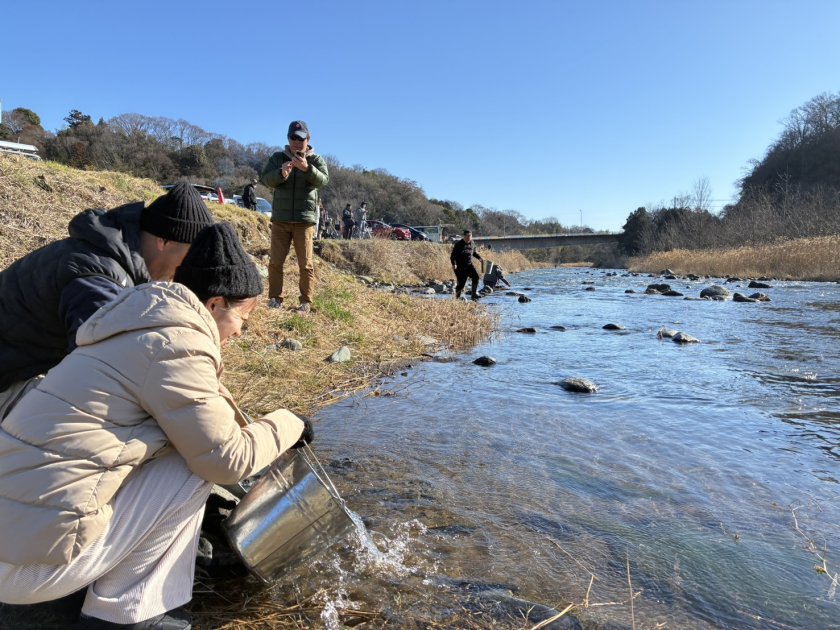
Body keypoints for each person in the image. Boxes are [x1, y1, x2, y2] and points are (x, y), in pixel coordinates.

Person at [0, 223, 311, 629]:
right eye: (243, 319)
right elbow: (226, 458)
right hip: (27, 568)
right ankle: (126, 612)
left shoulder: (135, 324)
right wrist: (290, 423)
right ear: (216, 303)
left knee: (183, 446)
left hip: (14, 538)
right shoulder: (177, 343)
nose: (240, 333)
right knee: (192, 467)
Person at [0, 181, 215, 419]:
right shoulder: (97, 279)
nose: (187, 271)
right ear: (163, 242)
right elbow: (102, 368)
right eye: (189, 257)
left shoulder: (108, 258)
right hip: (8, 382)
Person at [260, 120, 329, 314]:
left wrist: (308, 169)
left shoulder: (316, 160)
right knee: (275, 262)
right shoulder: (277, 158)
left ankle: (305, 302)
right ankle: (275, 299)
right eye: (293, 138)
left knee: (305, 264)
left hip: (304, 221)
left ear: (308, 139)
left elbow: (324, 180)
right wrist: (281, 173)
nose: (297, 142)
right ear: (288, 138)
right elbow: (266, 179)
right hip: (280, 220)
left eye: (301, 139)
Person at [450, 229, 483, 300]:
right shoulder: (459, 244)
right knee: (461, 283)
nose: (469, 238)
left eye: (470, 236)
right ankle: (457, 298)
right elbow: (453, 256)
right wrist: (454, 264)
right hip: (459, 267)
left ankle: (474, 294)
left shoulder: (472, 243)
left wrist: (480, 258)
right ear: (464, 236)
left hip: (469, 265)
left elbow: (474, 253)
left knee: (476, 277)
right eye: (467, 236)